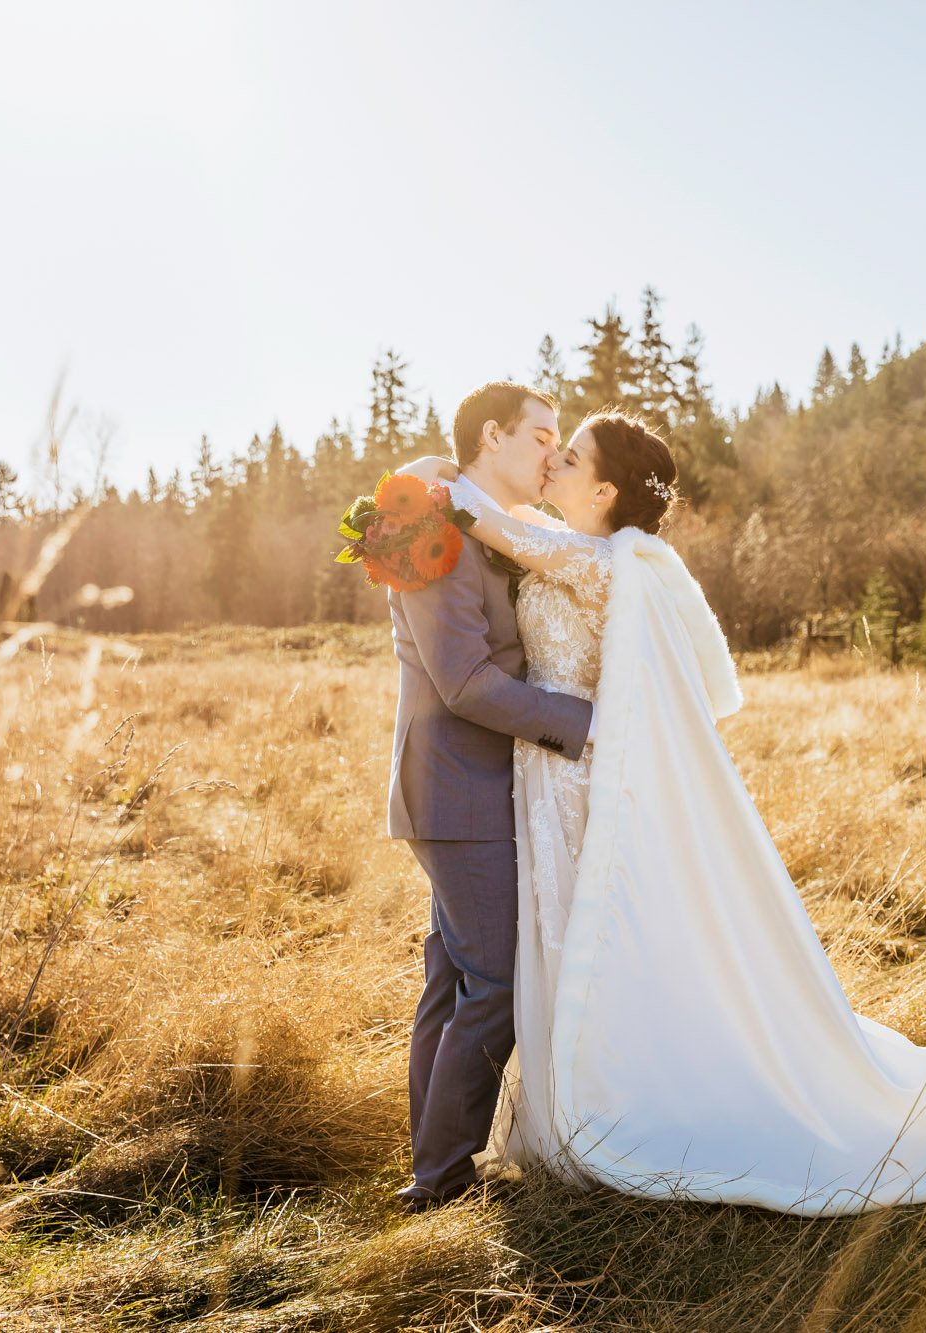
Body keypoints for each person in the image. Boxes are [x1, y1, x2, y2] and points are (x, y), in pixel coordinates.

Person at [395, 406, 926, 1215]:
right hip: (545, 781)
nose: (554, 461)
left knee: (591, 939)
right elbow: (499, 517)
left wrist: (418, 484)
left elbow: (485, 515)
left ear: (606, 489)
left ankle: (613, 1099)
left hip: (578, 775)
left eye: (570, 452)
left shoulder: (600, 559)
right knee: (545, 947)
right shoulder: (582, 547)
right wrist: (439, 475)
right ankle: (522, 1126)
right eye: (548, 443)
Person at [384, 381, 592, 1213]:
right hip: (453, 787)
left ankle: (432, 1171)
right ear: (493, 436)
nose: (554, 451)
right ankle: (438, 1181)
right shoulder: (430, 526)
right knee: (497, 978)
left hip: (483, 787)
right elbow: (465, 681)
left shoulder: (486, 525)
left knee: (454, 977)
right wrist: (587, 722)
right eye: (542, 435)